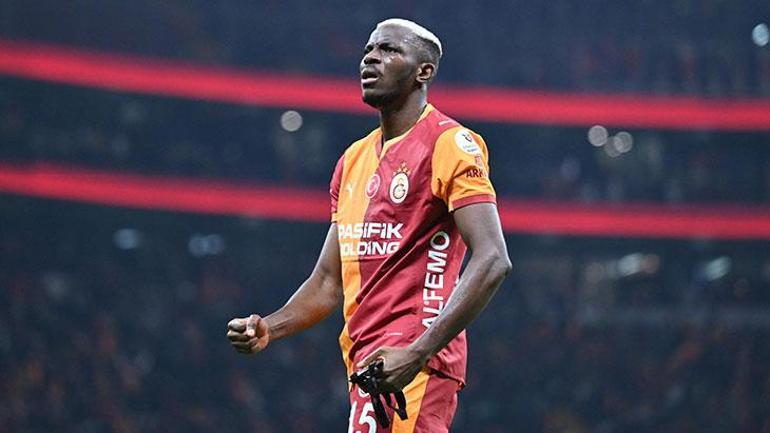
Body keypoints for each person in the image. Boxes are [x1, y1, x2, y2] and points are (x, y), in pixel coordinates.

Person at [227, 18, 512, 432]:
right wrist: (269, 326)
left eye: (389, 50)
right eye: (368, 50)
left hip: (413, 365)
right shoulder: (352, 161)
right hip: (367, 364)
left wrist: (418, 352)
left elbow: (493, 258)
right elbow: (328, 281)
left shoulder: (449, 143)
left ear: (424, 72)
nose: (371, 59)